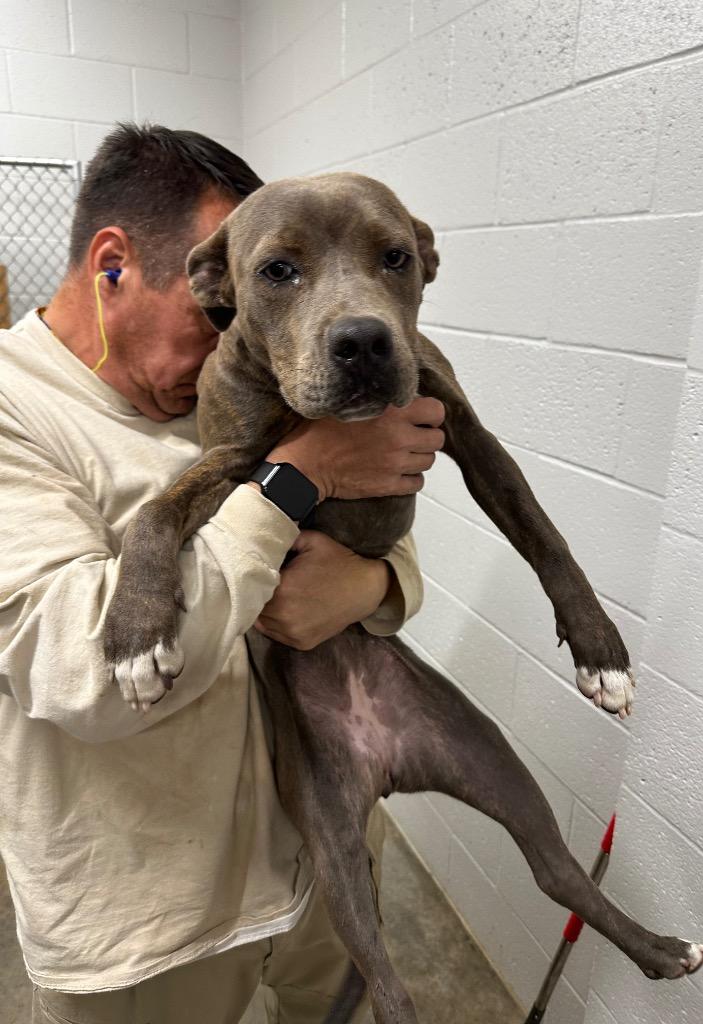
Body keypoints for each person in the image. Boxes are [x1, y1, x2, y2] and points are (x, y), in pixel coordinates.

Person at [0, 123, 445, 1024]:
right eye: (227, 306)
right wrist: (297, 477)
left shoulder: (251, 380)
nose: (248, 341)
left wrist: (374, 589)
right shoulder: (17, 412)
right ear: (113, 264)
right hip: (151, 923)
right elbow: (82, 671)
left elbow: (383, 543)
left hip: (327, 858)